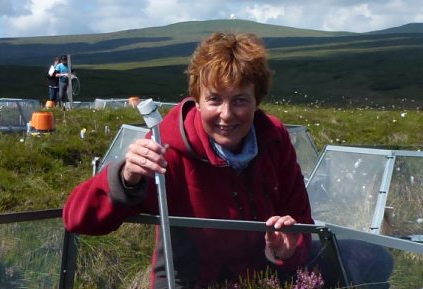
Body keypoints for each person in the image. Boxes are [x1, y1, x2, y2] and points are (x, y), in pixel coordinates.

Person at [62, 32, 392, 288]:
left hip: (267, 279)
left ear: (257, 101)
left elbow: (300, 222)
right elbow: (78, 220)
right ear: (196, 99)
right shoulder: (166, 148)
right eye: (214, 99)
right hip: (194, 285)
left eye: (240, 101)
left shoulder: (274, 142)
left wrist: (288, 250)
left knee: (373, 258)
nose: (226, 114)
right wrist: (125, 177)